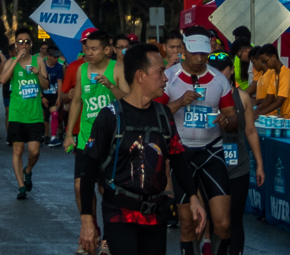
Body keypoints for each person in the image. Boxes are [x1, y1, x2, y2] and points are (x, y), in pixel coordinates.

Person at [78, 42, 208, 255]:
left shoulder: (164, 116)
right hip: (119, 214)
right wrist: (86, 219)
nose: (165, 78)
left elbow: (178, 160)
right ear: (140, 76)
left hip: (156, 216)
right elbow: (88, 169)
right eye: (160, 72)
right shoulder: (110, 116)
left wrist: (193, 198)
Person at [159, 26, 238, 255]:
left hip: (212, 151)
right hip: (181, 152)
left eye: (204, 54)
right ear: (183, 49)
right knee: (188, 224)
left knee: (223, 223)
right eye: (194, 53)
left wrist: (226, 120)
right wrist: (179, 102)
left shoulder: (218, 79)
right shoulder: (170, 78)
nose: (199, 59)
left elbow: (234, 120)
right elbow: (155, 114)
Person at [65, 29, 130, 249]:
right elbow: (76, 103)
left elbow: (129, 99)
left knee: (107, 189)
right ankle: (90, 230)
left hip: (113, 140)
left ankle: (109, 237)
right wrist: (68, 135)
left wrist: (110, 85)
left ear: (107, 50)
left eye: (94, 49)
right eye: (86, 48)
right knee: (79, 186)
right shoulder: (82, 70)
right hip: (86, 139)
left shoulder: (118, 69)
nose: (89, 53)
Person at [211, 51, 265, 255]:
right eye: (213, 69)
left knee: (234, 218)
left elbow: (250, 131)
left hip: (237, 166)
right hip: (211, 165)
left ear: (232, 70)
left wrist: (259, 164)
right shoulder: (203, 95)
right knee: (213, 218)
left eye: (222, 69)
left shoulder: (242, 97)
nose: (217, 73)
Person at [0, 27, 50, 199]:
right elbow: (3, 80)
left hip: (34, 113)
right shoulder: (10, 62)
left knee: (34, 151)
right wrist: (16, 60)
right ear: (15, 44)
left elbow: (46, 86)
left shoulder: (39, 61)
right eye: (20, 42)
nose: (23, 45)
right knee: (18, 150)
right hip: (17, 113)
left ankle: (27, 170)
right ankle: (21, 186)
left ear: (31, 44)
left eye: (27, 42)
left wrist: (37, 74)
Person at [253, 43, 290, 119]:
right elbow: (269, 98)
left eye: (265, 61)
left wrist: (259, 113)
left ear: (273, 57)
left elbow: (279, 102)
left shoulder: (286, 74)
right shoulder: (271, 73)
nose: (264, 64)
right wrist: (257, 110)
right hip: (285, 117)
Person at [41, 46, 65, 146]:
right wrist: (41, 97)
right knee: (44, 116)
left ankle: (53, 137)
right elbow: (38, 82)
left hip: (54, 94)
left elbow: (60, 82)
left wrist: (59, 98)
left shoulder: (59, 66)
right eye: (54, 57)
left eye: (57, 57)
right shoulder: (42, 65)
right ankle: (45, 136)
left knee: (55, 114)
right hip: (44, 94)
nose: (56, 59)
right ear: (49, 56)